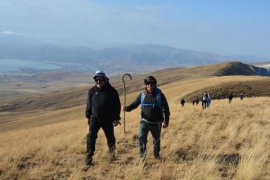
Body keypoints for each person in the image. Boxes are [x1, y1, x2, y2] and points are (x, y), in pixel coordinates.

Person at [123, 76, 170, 159]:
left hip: (156, 123)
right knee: (141, 137)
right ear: (146, 85)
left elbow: (166, 109)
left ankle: (156, 155)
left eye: (151, 84)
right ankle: (142, 157)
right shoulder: (142, 95)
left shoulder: (160, 95)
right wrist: (127, 108)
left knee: (156, 140)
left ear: (155, 84)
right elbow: (134, 104)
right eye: (148, 84)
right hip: (144, 121)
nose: (149, 85)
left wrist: (166, 122)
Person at [85, 70, 121, 166]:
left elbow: (117, 105)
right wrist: (87, 116)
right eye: (97, 79)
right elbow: (89, 104)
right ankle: (88, 159)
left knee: (110, 138)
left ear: (105, 79)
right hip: (94, 119)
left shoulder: (112, 91)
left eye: (100, 79)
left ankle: (112, 156)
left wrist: (116, 118)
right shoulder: (91, 91)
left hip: (108, 119)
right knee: (91, 138)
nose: (98, 82)